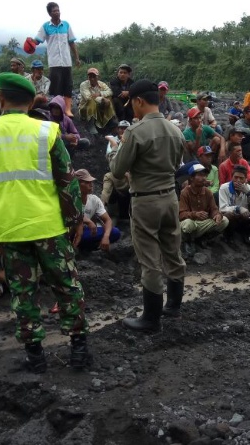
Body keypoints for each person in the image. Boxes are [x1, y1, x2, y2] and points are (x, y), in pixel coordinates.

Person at [0, 73, 91, 372]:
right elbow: (67, 181)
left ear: (1, 100)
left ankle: (35, 356)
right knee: (67, 286)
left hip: (8, 229)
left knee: (23, 293)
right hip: (49, 227)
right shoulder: (47, 131)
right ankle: (78, 351)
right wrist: (75, 220)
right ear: (31, 100)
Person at [109, 79, 186, 332]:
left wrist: (114, 150)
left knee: (150, 261)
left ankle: (151, 319)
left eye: (131, 102)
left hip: (145, 200)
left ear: (139, 101)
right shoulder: (176, 130)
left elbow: (118, 171)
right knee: (173, 252)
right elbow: (177, 164)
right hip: (170, 198)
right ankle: (174, 306)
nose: (131, 108)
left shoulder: (135, 132)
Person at [29, 2, 81, 117]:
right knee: (55, 87)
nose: (57, 12)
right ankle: (57, 110)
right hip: (54, 62)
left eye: (58, 10)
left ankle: (67, 109)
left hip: (66, 61)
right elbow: (37, 40)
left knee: (68, 86)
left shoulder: (66, 25)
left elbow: (72, 42)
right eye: (54, 11)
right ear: (50, 13)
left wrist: (77, 58)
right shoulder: (46, 27)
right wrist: (31, 42)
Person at [179, 163, 229, 257]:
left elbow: (214, 209)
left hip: (202, 224)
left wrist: (217, 215)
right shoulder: (185, 192)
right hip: (191, 223)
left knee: (224, 221)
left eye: (204, 175)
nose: (204, 178)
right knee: (187, 224)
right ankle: (188, 242)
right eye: (200, 175)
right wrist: (195, 214)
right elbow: (181, 214)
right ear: (192, 178)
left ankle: (204, 239)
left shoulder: (208, 192)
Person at [74, 169, 121, 252]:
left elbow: (108, 220)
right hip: (72, 232)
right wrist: (87, 220)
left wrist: (106, 237)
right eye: (87, 182)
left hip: (88, 232)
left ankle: (90, 246)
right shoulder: (69, 199)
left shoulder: (94, 200)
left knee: (115, 232)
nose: (91, 185)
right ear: (77, 184)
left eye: (91, 182)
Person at [219, 164, 250, 242]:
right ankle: (228, 235)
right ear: (232, 177)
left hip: (244, 217)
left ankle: (246, 233)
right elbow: (222, 208)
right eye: (236, 177)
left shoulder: (247, 187)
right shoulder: (224, 188)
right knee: (228, 215)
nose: (238, 180)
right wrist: (238, 208)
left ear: (245, 179)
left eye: (241, 178)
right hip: (233, 218)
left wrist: (248, 193)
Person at [103, 121, 132, 223]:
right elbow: (110, 159)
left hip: (132, 175)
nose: (123, 130)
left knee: (109, 177)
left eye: (125, 128)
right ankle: (103, 209)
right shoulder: (113, 141)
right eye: (121, 128)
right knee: (109, 177)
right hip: (119, 173)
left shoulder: (133, 141)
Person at [78, 67, 115, 134]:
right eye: (90, 76)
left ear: (98, 77)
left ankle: (110, 119)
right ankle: (91, 123)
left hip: (98, 105)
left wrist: (100, 93)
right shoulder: (83, 84)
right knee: (91, 101)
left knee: (109, 98)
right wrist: (102, 99)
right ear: (88, 77)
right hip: (85, 107)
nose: (92, 78)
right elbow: (88, 97)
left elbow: (110, 91)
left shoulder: (101, 84)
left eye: (94, 76)